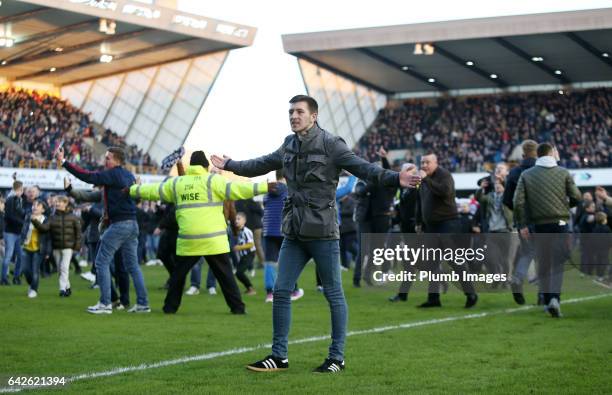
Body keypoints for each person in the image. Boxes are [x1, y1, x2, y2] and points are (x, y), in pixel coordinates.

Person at [211, 95, 418, 373]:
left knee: (333, 293)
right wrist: (231, 164)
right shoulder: (288, 144)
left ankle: (337, 358)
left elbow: (364, 168)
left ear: (314, 116)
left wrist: (396, 178)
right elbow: (261, 164)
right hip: (294, 232)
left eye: (299, 111)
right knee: (281, 292)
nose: (293, 116)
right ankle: (279, 356)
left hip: (323, 231)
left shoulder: (332, 144)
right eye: (291, 112)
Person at [130, 151, 271, 314]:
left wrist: (133, 190)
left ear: (191, 167)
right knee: (226, 277)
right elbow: (239, 189)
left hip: (189, 241)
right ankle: (238, 308)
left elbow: (154, 191)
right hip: (214, 241)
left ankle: (170, 308)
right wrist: (265, 186)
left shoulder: (178, 183)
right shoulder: (213, 180)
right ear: (205, 167)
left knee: (178, 276)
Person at [56, 146, 150, 314]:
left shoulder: (113, 174)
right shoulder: (128, 175)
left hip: (120, 225)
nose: (104, 161)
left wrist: (64, 162)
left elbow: (88, 176)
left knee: (101, 262)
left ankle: (105, 304)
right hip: (131, 224)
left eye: (108, 158)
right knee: (133, 266)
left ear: (117, 160)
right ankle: (143, 304)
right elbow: (133, 199)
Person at [513, 143, 582, 318]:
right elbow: (577, 197)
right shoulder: (563, 172)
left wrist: (523, 224)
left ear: (538, 154)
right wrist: (565, 207)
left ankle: (546, 298)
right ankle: (554, 300)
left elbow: (518, 202)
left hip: (538, 225)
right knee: (557, 263)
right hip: (559, 222)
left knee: (543, 262)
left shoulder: (526, 175)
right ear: (552, 153)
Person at [415, 153, 478, 308]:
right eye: (422, 162)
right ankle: (433, 298)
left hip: (447, 223)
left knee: (454, 261)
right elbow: (420, 201)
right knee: (431, 263)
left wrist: (426, 179)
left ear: (436, 163)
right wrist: (419, 221)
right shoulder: (422, 179)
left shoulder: (444, 175)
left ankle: (471, 293)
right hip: (431, 226)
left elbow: (445, 192)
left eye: (427, 162)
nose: (424, 165)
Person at [502, 140, 538, 305]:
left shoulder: (515, 172)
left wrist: (519, 214)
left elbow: (507, 199)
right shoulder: (542, 170)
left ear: (523, 154)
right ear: (536, 153)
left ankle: (517, 279)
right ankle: (544, 297)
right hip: (541, 219)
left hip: (522, 221)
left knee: (527, 252)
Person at [32, 196, 81, 297]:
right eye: (57, 202)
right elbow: (44, 229)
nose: (57, 203)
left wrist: (77, 246)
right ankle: (67, 287)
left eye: (60, 202)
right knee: (60, 269)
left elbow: (78, 233)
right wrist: (35, 221)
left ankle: (62, 289)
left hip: (68, 247)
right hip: (56, 247)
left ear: (65, 203)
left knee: (64, 268)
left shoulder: (73, 217)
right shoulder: (52, 217)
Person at [21, 199, 48, 298]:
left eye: (38, 205)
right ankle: (32, 284)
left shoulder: (45, 220)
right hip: (26, 247)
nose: (35, 207)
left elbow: (46, 234)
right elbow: (23, 230)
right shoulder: (28, 216)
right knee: (25, 269)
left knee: (35, 270)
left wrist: (48, 251)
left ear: (43, 210)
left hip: (38, 249)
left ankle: (34, 289)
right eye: (34, 205)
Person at [2, 181, 24, 285]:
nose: (22, 191)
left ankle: (16, 277)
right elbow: (9, 216)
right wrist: (21, 222)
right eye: (21, 189)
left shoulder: (19, 200)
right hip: (10, 232)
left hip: (18, 232)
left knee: (20, 256)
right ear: (19, 189)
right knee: (8, 256)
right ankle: (4, 278)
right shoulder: (11, 200)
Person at [233, 212, 257, 295]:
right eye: (235, 219)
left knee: (239, 272)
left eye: (239, 219)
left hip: (249, 254)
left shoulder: (247, 231)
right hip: (244, 255)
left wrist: (239, 247)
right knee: (238, 273)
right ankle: (249, 288)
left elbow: (251, 244)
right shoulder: (238, 231)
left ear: (244, 221)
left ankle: (251, 289)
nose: (236, 221)